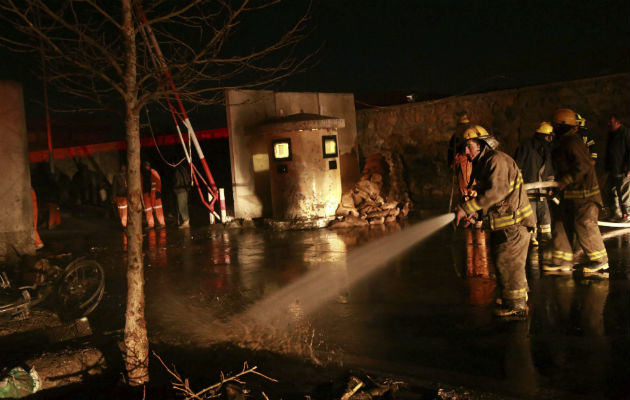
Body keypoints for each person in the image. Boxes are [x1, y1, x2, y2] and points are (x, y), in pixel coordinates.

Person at [455, 125, 534, 319]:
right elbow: (491, 196)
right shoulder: (486, 161)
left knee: (508, 264)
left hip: (514, 225)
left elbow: (496, 193)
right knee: (506, 263)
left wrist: (466, 208)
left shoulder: (496, 160)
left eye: (469, 146)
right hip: (506, 223)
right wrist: (477, 215)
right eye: (464, 147)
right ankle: (514, 298)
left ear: (483, 144)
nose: (466, 151)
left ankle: (516, 306)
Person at [543, 108, 608, 274]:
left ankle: (600, 260)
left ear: (562, 126)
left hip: (585, 195)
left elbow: (584, 167)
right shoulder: (564, 142)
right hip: (572, 195)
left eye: (556, 126)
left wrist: (565, 181)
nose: (554, 128)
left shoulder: (572, 142)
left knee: (585, 225)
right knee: (561, 224)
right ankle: (561, 260)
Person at [514, 121, 555, 246]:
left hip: (542, 190)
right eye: (549, 137)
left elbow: (549, 169)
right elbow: (517, 167)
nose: (550, 139)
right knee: (530, 214)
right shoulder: (527, 146)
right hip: (528, 189)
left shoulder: (546, 149)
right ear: (545, 136)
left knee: (544, 214)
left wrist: (550, 186)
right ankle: (532, 237)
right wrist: (518, 187)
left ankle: (546, 236)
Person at [605, 114, 630, 221]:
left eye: (611, 121)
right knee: (611, 191)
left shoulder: (626, 134)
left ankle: (627, 214)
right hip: (613, 170)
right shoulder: (611, 134)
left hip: (623, 170)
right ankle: (616, 213)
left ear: (618, 122)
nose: (608, 123)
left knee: (624, 192)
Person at [142, 161, 165, 229]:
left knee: (158, 208)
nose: (147, 167)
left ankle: (162, 223)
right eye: (146, 166)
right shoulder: (142, 174)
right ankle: (151, 224)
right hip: (146, 194)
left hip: (154, 193)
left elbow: (158, 181)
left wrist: (158, 191)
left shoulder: (153, 172)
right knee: (148, 210)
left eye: (148, 166)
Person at [172, 161, 192, 228]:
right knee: (183, 206)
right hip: (183, 190)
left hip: (181, 191)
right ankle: (185, 221)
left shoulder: (179, 170)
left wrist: (175, 189)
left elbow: (178, 181)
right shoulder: (182, 169)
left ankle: (186, 222)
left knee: (182, 206)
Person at [111, 164, 128, 228]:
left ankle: (124, 224)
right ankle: (124, 224)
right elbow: (114, 187)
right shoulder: (117, 176)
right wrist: (114, 197)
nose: (123, 168)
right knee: (121, 211)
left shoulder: (127, 175)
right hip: (120, 196)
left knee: (124, 211)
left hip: (125, 196)